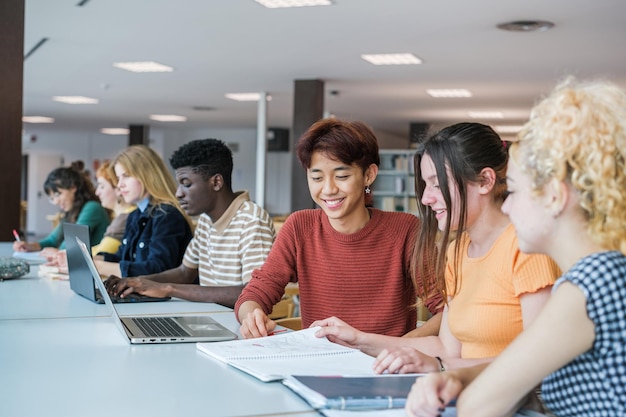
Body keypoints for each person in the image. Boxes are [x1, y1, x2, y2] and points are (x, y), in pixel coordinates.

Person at [405, 78, 626, 417]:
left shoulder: (591, 284)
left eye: (515, 193)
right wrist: (459, 375)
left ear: (554, 195)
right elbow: (535, 377)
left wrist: (457, 379)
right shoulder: (604, 273)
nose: (506, 207)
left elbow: (480, 407)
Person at [313, 122, 560, 375]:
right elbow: (445, 347)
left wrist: (441, 366)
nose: (425, 198)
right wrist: (358, 339)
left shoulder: (527, 249)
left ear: (485, 181)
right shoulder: (457, 252)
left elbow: (540, 360)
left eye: (437, 184)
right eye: (425, 184)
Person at [234, 118, 443, 339]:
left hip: (386, 367)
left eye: (341, 176)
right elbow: (258, 290)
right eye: (316, 177)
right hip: (320, 366)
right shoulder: (299, 227)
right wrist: (252, 314)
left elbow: (447, 309)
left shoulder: (406, 230)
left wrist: (400, 347)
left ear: (369, 175)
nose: (328, 189)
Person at [104, 139, 275, 308]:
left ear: (216, 182)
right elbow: (185, 273)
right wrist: (138, 282)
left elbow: (254, 292)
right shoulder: (206, 220)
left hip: (242, 327)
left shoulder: (251, 220)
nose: (178, 193)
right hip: (212, 317)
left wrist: (168, 289)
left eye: (186, 184)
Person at [94, 145, 193, 277]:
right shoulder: (135, 215)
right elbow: (122, 257)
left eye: (126, 176)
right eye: (118, 178)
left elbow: (158, 269)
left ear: (146, 175)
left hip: (166, 297)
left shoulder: (167, 215)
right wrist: (90, 260)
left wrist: (100, 267)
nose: (119, 185)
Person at [13, 164, 110, 258]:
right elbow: (52, 240)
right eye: (52, 198)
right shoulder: (72, 211)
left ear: (73, 187)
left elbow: (71, 244)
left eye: (57, 194)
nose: (55, 202)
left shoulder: (92, 207)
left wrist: (56, 253)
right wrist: (29, 246)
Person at [91, 160, 136, 255]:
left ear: (117, 189)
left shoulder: (125, 218)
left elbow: (102, 253)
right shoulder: (117, 215)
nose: (97, 192)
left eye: (102, 187)